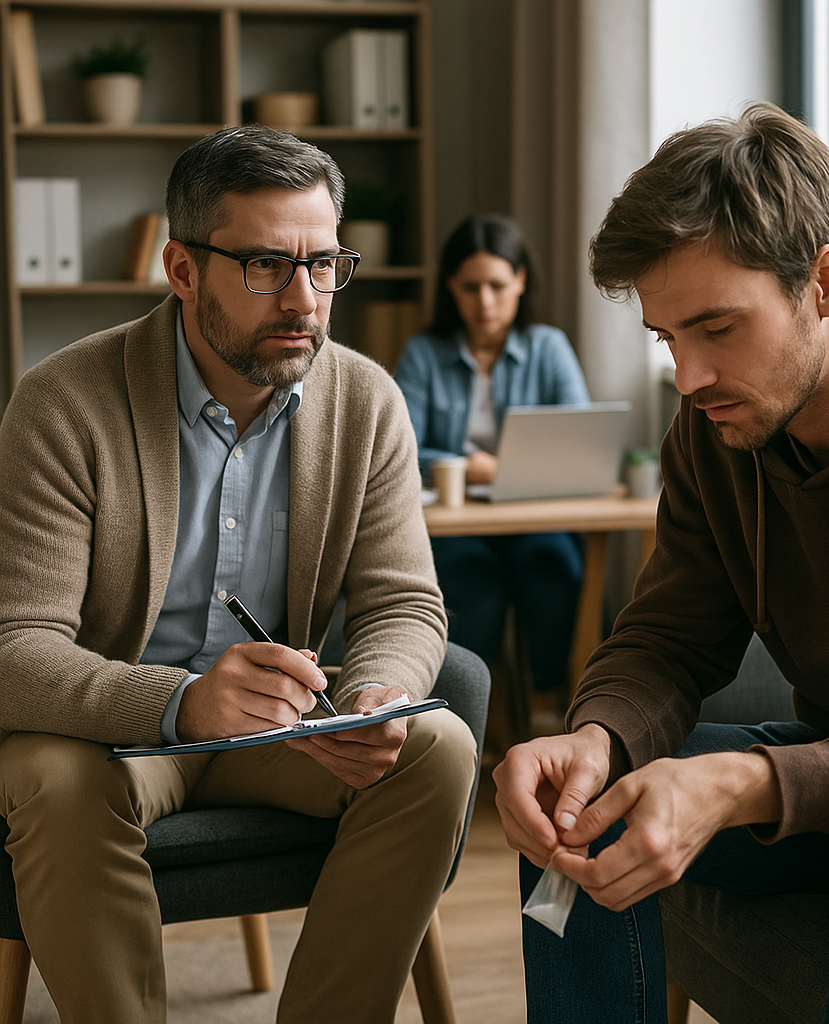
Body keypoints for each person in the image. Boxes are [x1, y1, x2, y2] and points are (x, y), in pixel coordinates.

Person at [493, 101, 829, 1023]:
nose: (688, 375)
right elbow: (669, 633)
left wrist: (749, 782)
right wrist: (597, 740)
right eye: (668, 339)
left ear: (823, 281)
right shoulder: (718, 430)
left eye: (717, 327)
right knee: (591, 805)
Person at [0, 125, 477, 1024]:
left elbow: (404, 601)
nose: (304, 299)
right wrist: (181, 703)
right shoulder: (64, 403)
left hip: (281, 728)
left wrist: (377, 691)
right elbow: (14, 649)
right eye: (266, 265)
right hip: (105, 736)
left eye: (325, 264)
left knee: (437, 747)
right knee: (52, 778)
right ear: (182, 269)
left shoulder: (367, 400)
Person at [394, 214, 590, 714]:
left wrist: (491, 469)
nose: (484, 302)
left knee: (555, 569)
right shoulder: (423, 352)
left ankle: (549, 703)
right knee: (472, 588)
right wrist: (470, 466)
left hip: (533, 518)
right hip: (458, 526)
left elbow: (580, 442)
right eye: (470, 287)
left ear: (521, 281)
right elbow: (401, 447)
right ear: (450, 288)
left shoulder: (550, 348)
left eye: (497, 286)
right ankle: (471, 712)